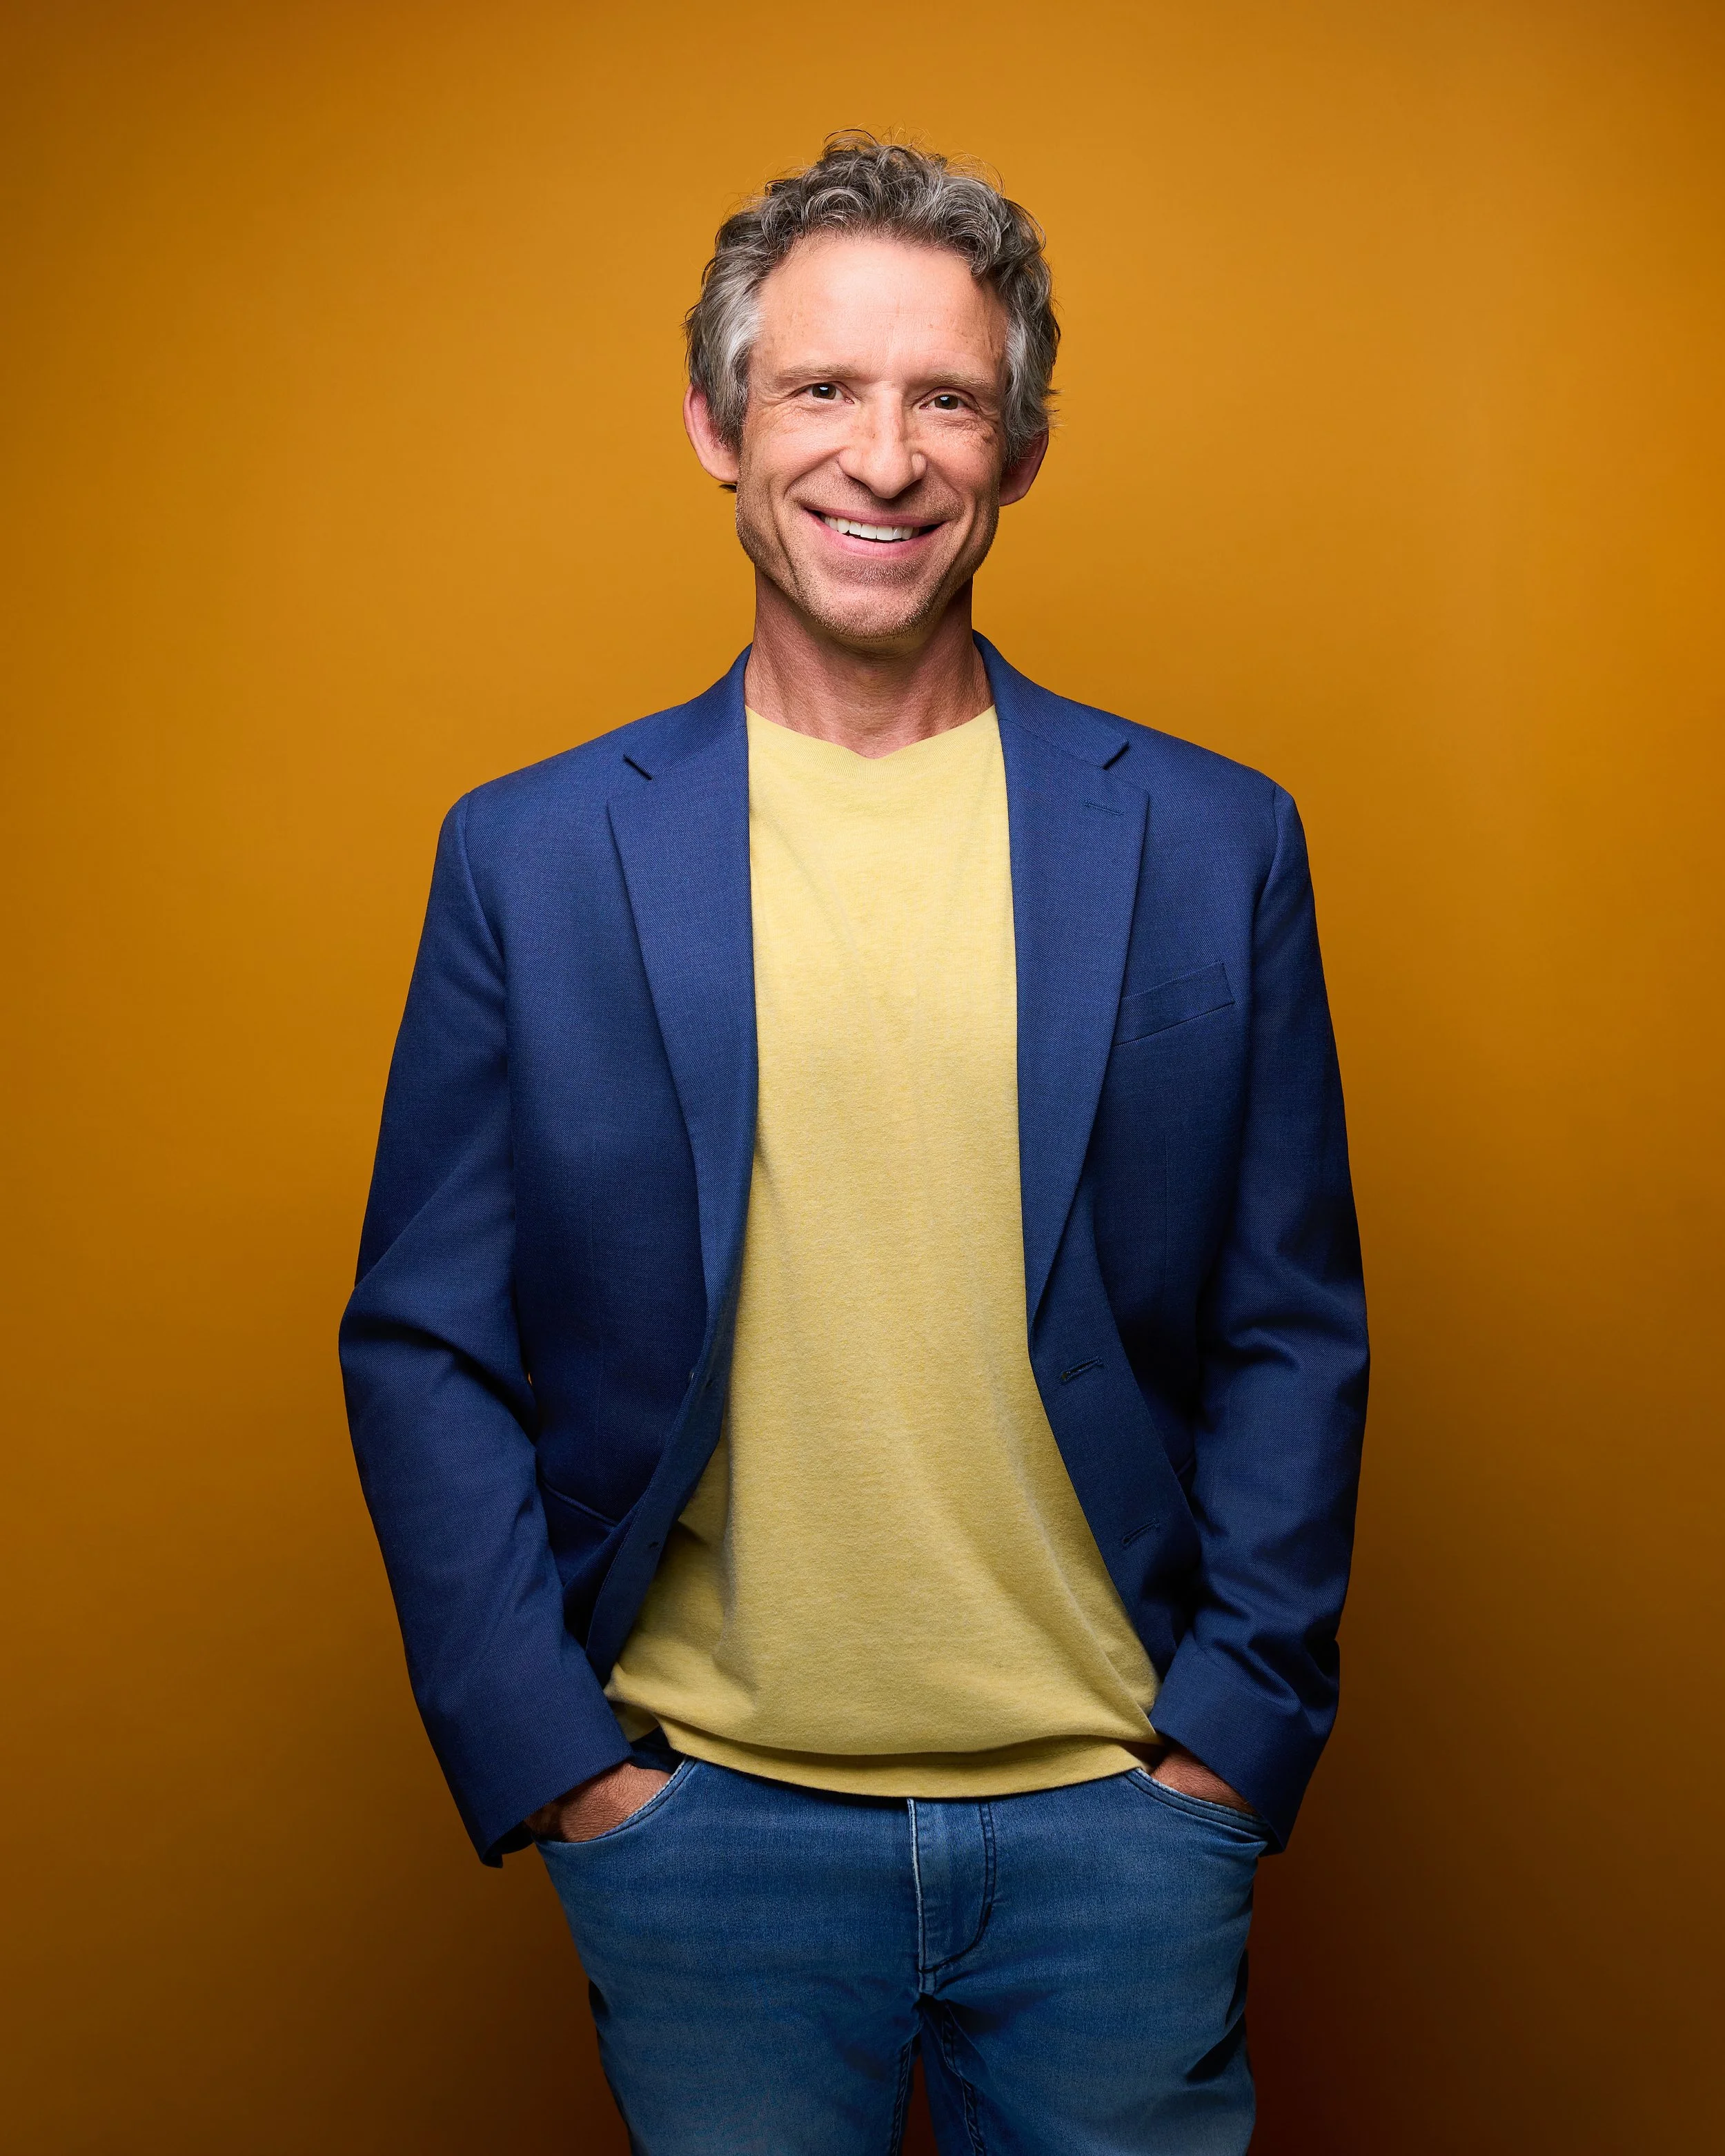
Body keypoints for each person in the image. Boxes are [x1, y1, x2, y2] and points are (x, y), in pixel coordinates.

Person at [341, 133, 1368, 2155]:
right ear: (718, 426)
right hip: (701, 1835)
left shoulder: (1208, 839)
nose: (881, 458)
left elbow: (1288, 1325)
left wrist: (1224, 1752)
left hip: (1115, 1838)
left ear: (1019, 446)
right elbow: (424, 1337)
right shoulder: (532, 857)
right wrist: (568, 1771)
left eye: (946, 399)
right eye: (819, 388)